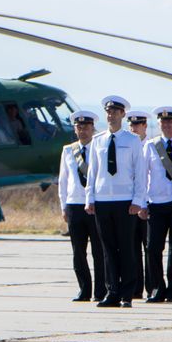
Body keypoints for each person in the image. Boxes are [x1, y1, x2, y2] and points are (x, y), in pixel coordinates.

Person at [85, 95, 147, 308]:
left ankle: (127, 293)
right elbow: (92, 172)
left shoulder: (132, 141)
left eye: (115, 112)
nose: (111, 115)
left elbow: (139, 172)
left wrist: (138, 200)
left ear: (123, 114)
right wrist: (89, 198)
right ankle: (112, 291)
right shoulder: (98, 140)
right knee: (108, 249)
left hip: (125, 201)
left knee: (126, 247)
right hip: (103, 200)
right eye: (108, 112)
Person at [142, 106, 172, 302]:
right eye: (163, 122)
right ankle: (157, 288)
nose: (167, 124)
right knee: (153, 247)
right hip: (156, 202)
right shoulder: (151, 146)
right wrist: (143, 202)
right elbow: (142, 175)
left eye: (170, 121)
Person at [58, 110, 105, 301]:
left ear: (92, 128)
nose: (83, 130)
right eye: (79, 127)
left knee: (99, 251)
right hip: (74, 204)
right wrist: (63, 207)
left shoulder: (99, 148)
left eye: (86, 127)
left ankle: (101, 291)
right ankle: (84, 289)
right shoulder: (68, 150)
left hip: (94, 205)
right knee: (78, 251)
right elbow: (63, 181)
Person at [127, 110, 150, 299]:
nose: (133, 129)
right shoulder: (127, 146)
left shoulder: (150, 147)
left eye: (137, 125)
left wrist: (144, 203)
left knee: (149, 247)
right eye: (131, 125)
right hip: (132, 204)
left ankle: (152, 287)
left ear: (145, 127)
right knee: (133, 249)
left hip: (149, 204)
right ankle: (136, 288)